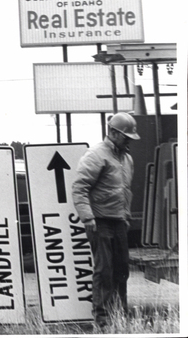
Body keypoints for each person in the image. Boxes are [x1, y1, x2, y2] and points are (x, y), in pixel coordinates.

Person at [71, 112, 140, 328]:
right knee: (105, 269)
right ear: (112, 133)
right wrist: (88, 217)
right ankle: (102, 319)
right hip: (99, 221)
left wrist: (126, 217)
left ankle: (119, 314)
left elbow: (125, 191)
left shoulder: (127, 159)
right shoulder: (95, 155)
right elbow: (79, 188)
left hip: (118, 221)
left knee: (122, 269)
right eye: (126, 136)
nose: (129, 140)